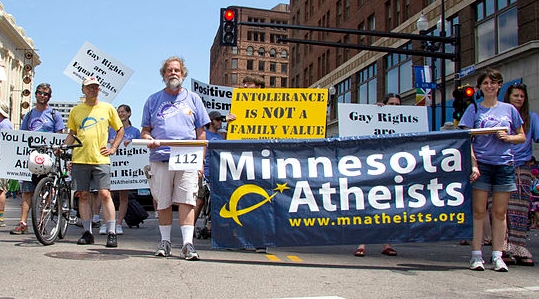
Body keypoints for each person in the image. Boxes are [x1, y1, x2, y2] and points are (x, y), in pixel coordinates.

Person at [141, 56, 210, 259]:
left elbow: (201, 135)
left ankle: (188, 245)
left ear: (183, 74)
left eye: (177, 70)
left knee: (187, 200)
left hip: (188, 157)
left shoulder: (194, 99)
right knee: (163, 200)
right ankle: (165, 242)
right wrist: (149, 139)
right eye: (169, 70)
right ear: (163, 75)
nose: (173, 73)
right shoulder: (153, 100)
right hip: (161, 157)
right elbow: (145, 131)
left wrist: (201, 162)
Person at [459, 68, 525, 272]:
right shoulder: (474, 110)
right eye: (485, 83)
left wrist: (509, 138)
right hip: (482, 165)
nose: (489, 86)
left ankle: (498, 255)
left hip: (504, 164)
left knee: (499, 212)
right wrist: (474, 164)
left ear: (499, 86)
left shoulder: (509, 110)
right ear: (480, 87)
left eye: (493, 83)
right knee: (479, 212)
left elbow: (521, 135)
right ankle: (476, 255)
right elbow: (466, 139)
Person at [64, 77, 124, 248]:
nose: (93, 90)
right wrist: (63, 146)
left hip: (100, 159)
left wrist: (113, 148)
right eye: (89, 87)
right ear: (83, 90)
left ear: (99, 89)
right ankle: (87, 232)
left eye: (96, 87)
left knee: (105, 194)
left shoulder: (108, 108)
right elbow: (72, 134)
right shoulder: (76, 110)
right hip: (80, 158)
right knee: (83, 195)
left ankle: (111, 232)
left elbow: (120, 129)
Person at [10, 83, 65, 235]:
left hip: (48, 158)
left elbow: (59, 136)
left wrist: (58, 149)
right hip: (31, 158)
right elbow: (22, 135)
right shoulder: (29, 115)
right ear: (36, 94)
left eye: (46, 94)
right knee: (27, 191)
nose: (42, 96)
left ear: (49, 97)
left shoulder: (55, 115)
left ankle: (42, 221)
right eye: (40, 93)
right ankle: (22, 223)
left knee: (47, 190)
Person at [354, 93, 400, 257]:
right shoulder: (374, 118)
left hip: (393, 169)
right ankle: (361, 243)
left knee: (387, 208)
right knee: (367, 204)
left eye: (397, 105)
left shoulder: (404, 122)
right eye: (391, 104)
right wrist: (374, 111)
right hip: (373, 167)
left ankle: (386, 243)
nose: (394, 108)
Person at [502, 82, 537, 266]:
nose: (519, 99)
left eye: (522, 96)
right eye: (516, 96)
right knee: (503, 210)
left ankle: (519, 247)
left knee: (521, 210)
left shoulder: (531, 118)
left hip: (522, 167)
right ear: (509, 97)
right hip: (502, 164)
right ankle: (504, 248)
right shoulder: (501, 115)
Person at [104, 104, 141, 235]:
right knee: (107, 195)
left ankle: (119, 223)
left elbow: (141, 149)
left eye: (123, 112)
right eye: (118, 112)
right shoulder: (111, 129)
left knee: (123, 196)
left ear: (129, 113)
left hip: (127, 168)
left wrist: (131, 143)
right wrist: (112, 141)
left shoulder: (136, 131)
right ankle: (107, 222)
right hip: (112, 165)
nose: (120, 114)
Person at [0, 101, 14, 227]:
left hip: (1, 160)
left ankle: (0, 217)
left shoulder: (5, 124)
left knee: (0, 190)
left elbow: (7, 143)